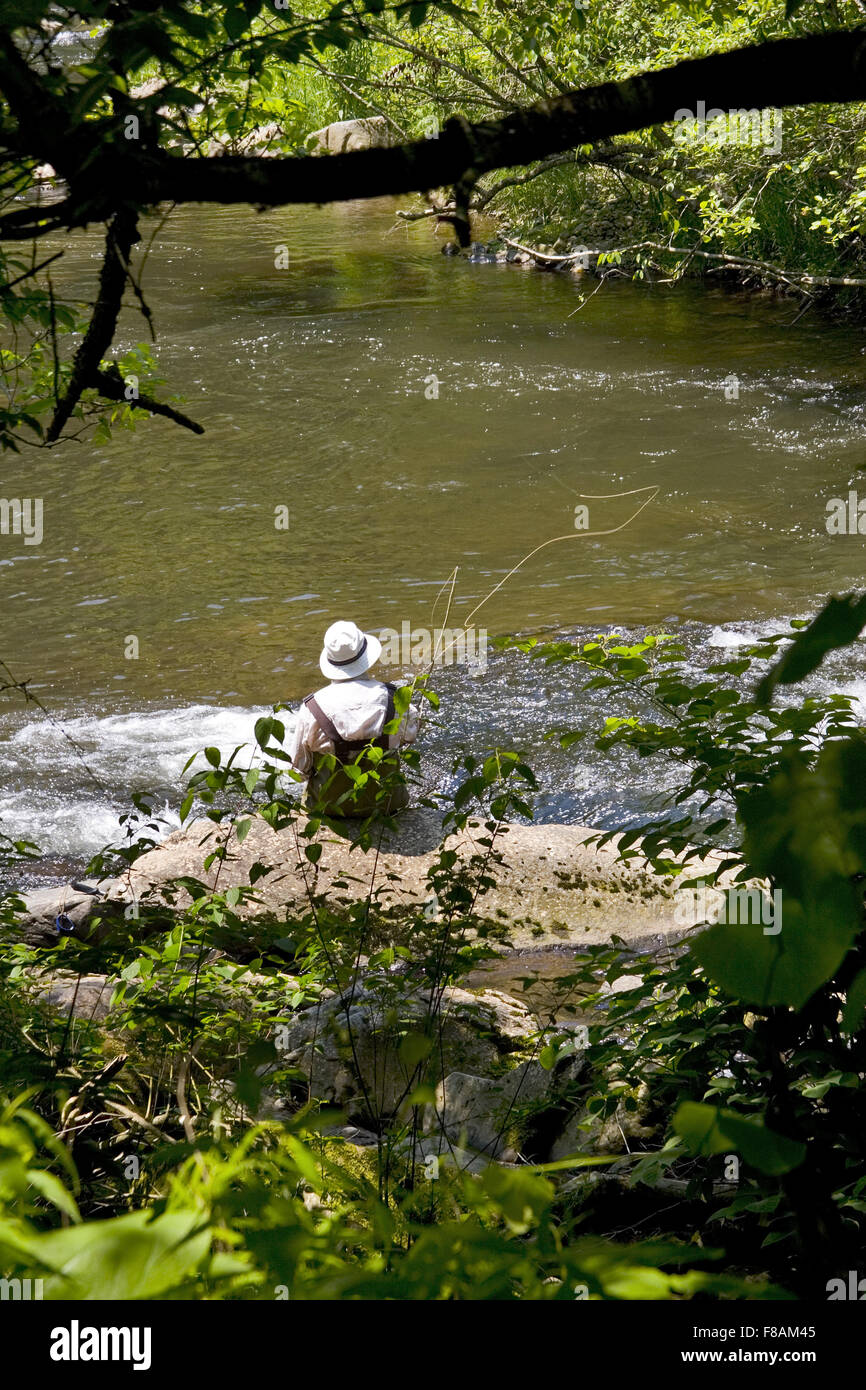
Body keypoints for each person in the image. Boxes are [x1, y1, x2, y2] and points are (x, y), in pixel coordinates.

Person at [289, 619, 420, 817]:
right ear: (366, 656)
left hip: (328, 809)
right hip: (386, 805)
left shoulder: (312, 708)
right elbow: (409, 737)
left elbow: (299, 771)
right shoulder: (394, 698)